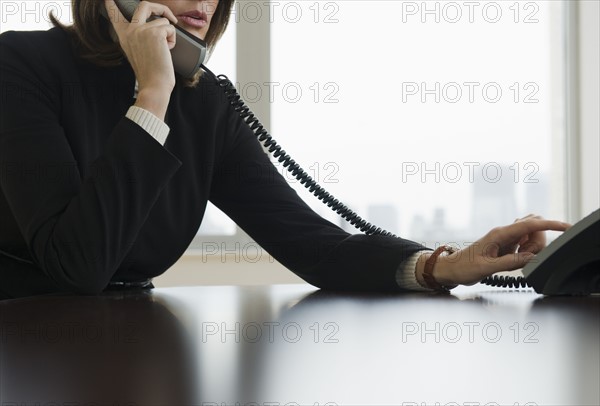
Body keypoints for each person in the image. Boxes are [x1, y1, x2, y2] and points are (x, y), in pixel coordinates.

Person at [0, 0, 570, 300]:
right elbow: (76, 266)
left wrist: (444, 266)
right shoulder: (23, 68)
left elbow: (311, 243)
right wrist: (152, 93)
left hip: (130, 350)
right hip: (27, 349)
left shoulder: (206, 106)